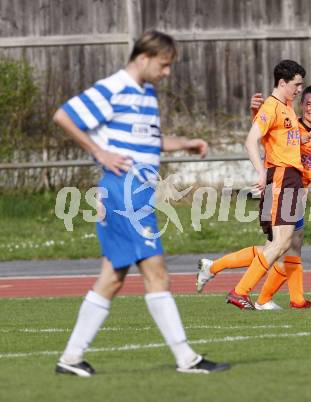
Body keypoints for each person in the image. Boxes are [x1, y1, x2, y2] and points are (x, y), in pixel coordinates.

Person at [53, 30, 229, 376]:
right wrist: (99, 152)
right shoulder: (114, 87)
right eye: (164, 66)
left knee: (113, 277)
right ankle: (187, 359)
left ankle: (70, 359)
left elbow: (150, 140)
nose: (167, 73)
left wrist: (185, 144)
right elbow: (64, 115)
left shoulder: (146, 94)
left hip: (135, 193)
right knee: (156, 272)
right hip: (123, 193)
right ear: (143, 58)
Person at [196, 84, 311, 310]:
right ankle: (241, 286)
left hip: (295, 194)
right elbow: (263, 131)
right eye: (309, 104)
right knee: (279, 246)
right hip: (279, 188)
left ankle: (293, 299)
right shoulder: (290, 125)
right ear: (302, 105)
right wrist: (254, 111)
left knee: (289, 246)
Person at [210, 59, 307, 310]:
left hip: (289, 178)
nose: (299, 90)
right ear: (282, 83)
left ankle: (241, 289)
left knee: (282, 242)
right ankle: (240, 291)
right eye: (296, 85)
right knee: (281, 242)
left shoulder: (285, 107)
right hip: (283, 177)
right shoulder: (273, 106)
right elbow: (250, 141)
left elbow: (274, 138)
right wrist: (261, 172)